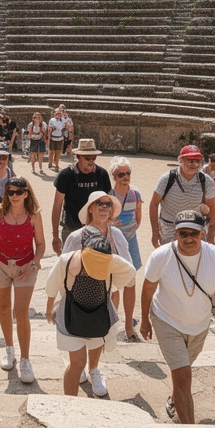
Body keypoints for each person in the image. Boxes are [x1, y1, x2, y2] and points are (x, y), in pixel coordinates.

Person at [140, 210, 215, 424]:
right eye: (183, 233)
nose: (189, 238)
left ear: (203, 233)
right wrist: (144, 320)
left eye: (194, 233)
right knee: (183, 375)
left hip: (199, 324)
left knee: (183, 371)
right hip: (166, 319)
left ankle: (175, 399)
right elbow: (148, 288)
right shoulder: (160, 256)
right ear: (176, 234)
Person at [45, 227, 135, 397]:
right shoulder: (66, 260)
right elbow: (52, 285)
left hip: (98, 315)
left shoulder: (108, 260)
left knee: (95, 344)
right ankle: (70, 403)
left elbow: (129, 272)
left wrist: (112, 274)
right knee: (77, 363)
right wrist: (49, 310)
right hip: (70, 315)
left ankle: (94, 370)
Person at [0, 175, 45, 384]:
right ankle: (9, 348)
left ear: (26, 193)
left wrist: (34, 263)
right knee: (4, 308)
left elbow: (40, 244)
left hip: (25, 266)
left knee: (21, 312)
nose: (14, 196)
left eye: (18, 192)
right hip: (1, 263)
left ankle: (25, 359)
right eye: (10, 192)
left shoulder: (34, 214)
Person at [63, 192, 138, 341]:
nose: (104, 207)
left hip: (109, 294)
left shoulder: (117, 235)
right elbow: (63, 271)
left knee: (101, 340)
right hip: (81, 298)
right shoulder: (75, 237)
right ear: (90, 209)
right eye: (100, 203)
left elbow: (129, 271)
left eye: (108, 204)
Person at [148, 145, 215, 248]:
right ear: (180, 160)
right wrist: (155, 232)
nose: (195, 164)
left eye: (198, 161)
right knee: (171, 256)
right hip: (170, 228)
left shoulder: (207, 181)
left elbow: (212, 209)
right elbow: (154, 204)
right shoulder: (166, 179)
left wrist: (211, 237)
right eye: (190, 161)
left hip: (195, 227)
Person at [51, 138, 111, 256]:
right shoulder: (66, 175)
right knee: (70, 264)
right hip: (71, 228)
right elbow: (57, 206)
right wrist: (55, 236)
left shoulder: (102, 174)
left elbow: (109, 203)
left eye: (93, 157)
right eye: (87, 158)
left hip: (96, 230)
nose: (91, 161)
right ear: (78, 157)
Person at [109, 157, 144, 339]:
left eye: (127, 173)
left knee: (130, 281)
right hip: (114, 241)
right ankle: (113, 324)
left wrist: (132, 228)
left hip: (130, 239)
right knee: (113, 284)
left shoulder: (135, 193)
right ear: (114, 176)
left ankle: (129, 324)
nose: (125, 177)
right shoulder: (108, 196)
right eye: (120, 174)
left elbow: (138, 213)